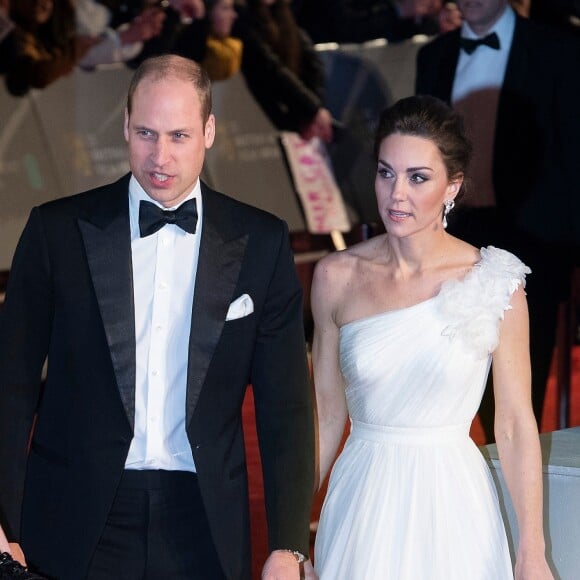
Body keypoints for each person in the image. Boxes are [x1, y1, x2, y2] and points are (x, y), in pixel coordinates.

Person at [0, 54, 314, 580]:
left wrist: (288, 544)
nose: (160, 156)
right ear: (124, 126)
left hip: (204, 522)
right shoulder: (57, 233)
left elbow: (286, 407)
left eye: (179, 136)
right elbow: (10, 386)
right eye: (146, 133)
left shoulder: (260, 242)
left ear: (209, 131)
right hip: (75, 519)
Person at [305, 95, 552, 579]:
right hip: (361, 501)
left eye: (418, 177)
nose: (397, 194)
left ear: (451, 187)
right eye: (386, 173)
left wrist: (531, 551)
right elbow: (327, 417)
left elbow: (515, 425)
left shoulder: (495, 280)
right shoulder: (335, 276)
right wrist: (289, 540)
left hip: (455, 506)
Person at [415, 0, 580, 439]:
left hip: (532, 242)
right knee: (458, 375)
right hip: (453, 238)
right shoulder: (433, 56)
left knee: (521, 382)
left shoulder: (559, 50)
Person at [232, 0, 334, 143]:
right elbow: (270, 67)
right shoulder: (240, 16)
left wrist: (314, 110)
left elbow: (313, 64)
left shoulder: (284, 14)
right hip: (246, 121)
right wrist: (313, 110)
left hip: (293, 116)